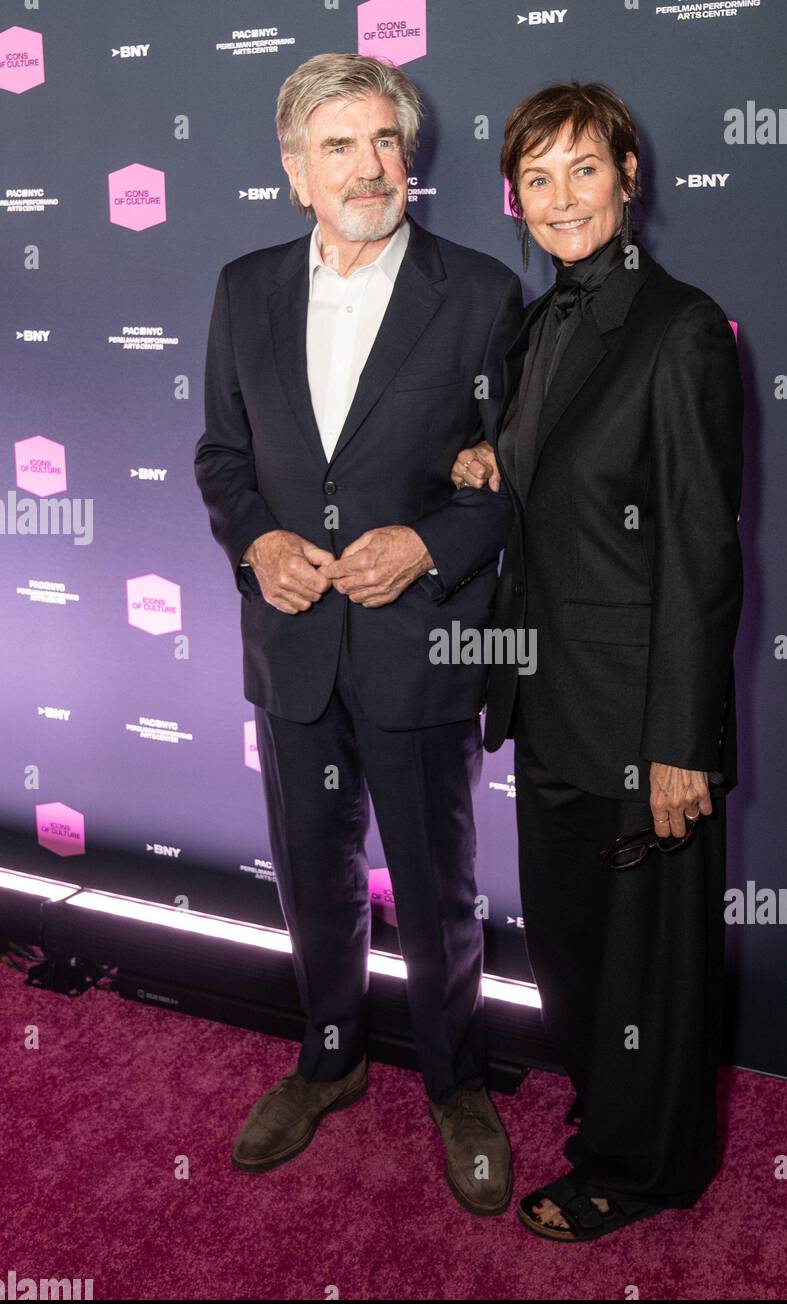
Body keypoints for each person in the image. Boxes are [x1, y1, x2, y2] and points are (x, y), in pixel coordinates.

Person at [194, 53, 524, 1215]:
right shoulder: (244, 288)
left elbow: (509, 478)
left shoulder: (483, 293)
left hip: (418, 644)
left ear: (411, 157)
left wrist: (430, 545)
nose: (369, 166)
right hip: (291, 647)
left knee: (436, 889)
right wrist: (258, 544)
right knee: (311, 876)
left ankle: (458, 1084)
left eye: (386, 141)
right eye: (338, 145)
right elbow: (224, 458)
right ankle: (329, 1060)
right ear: (295, 171)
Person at [451, 81, 744, 1241]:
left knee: (646, 963)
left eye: (585, 169)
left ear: (630, 178)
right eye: (538, 175)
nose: (561, 196)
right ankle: (609, 1110)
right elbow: (557, 464)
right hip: (547, 692)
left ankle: (641, 1164)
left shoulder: (680, 327)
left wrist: (683, 741)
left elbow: (702, 549)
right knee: (575, 946)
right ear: (511, 196)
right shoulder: (535, 321)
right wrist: (493, 464)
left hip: (639, 717)